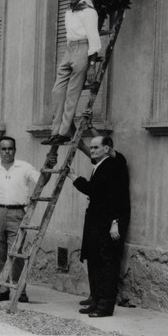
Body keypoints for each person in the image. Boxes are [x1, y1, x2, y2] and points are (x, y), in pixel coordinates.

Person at [0, 136, 50, 302]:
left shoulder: (24, 167)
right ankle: (2, 289)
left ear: (15, 150)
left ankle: (19, 290)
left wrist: (49, 168)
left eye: (10, 148)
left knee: (16, 253)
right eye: (4, 149)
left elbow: (41, 182)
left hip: (17, 214)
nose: (7, 152)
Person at [70, 135, 130, 317]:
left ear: (106, 149)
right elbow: (96, 192)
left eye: (96, 147)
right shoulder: (100, 166)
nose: (92, 150)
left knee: (107, 263)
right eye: (91, 147)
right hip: (97, 221)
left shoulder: (113, 166)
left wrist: (115, 222)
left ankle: (105, 307)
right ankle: (95, 302)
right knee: (95, 260)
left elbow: (116, 197)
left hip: (108, 223)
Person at [41, 0, 102, 146]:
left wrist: (91, 65)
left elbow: (94, 39)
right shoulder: (69, 12)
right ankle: (55, 132)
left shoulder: (89, 11)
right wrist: (69, 52)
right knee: (57, 91)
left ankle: (63, 133)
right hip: (69, 49)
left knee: (72, 94)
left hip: (83, 48)